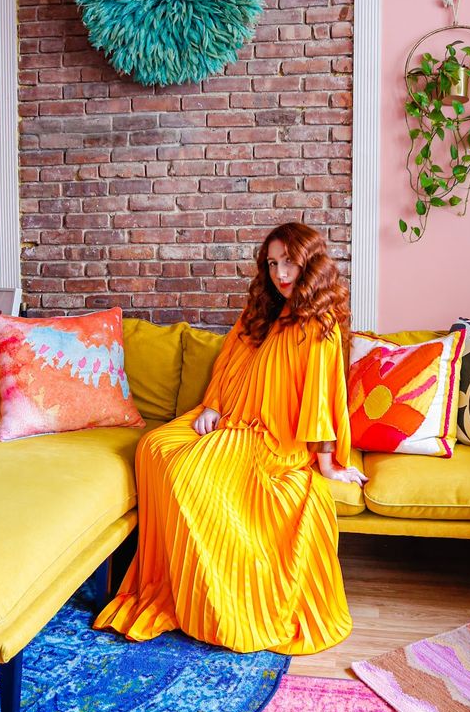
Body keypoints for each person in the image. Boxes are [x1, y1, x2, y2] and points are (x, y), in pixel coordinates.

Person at [94, 223, 366, 655]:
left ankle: (209, 597)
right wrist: (212, 407)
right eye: (273, 263)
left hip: (271, 438)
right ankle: (176, 582)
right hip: (228, 417)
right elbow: (227, 364)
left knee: (186, 469)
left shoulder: (321, 322)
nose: (280, 273)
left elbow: (320, 397)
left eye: (289, 263)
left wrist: (329, 461)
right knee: (154, 446)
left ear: (310, 262)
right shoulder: (259, 309)